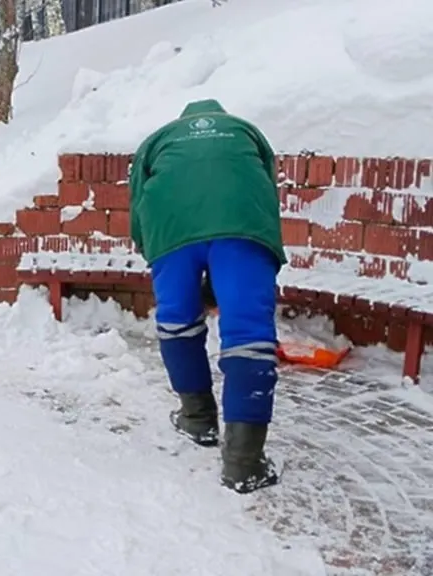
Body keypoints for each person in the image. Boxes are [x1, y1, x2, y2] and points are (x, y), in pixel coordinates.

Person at [128, 98, 285, 494]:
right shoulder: (246, 131)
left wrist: (154, 251)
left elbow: (137, 206)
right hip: (243, 225)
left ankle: (197, 420)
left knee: (177, 319)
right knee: (249, 332)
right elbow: (266, 189)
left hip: (170, 228)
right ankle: (243, 463)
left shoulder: (158, 140)